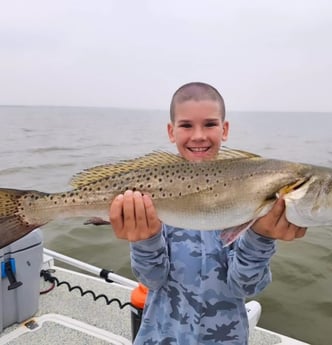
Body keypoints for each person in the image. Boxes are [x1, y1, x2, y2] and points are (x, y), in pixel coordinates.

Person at [109, 82, 307, 345]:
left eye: (210, 124)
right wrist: (144, 240)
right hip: (161, 337)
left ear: (224, 129)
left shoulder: (249, 194)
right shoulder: (152, 190)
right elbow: (151, 280)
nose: (199, 135)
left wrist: (260, 238)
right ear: (171, 131)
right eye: (186, 125)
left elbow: (245, 287)